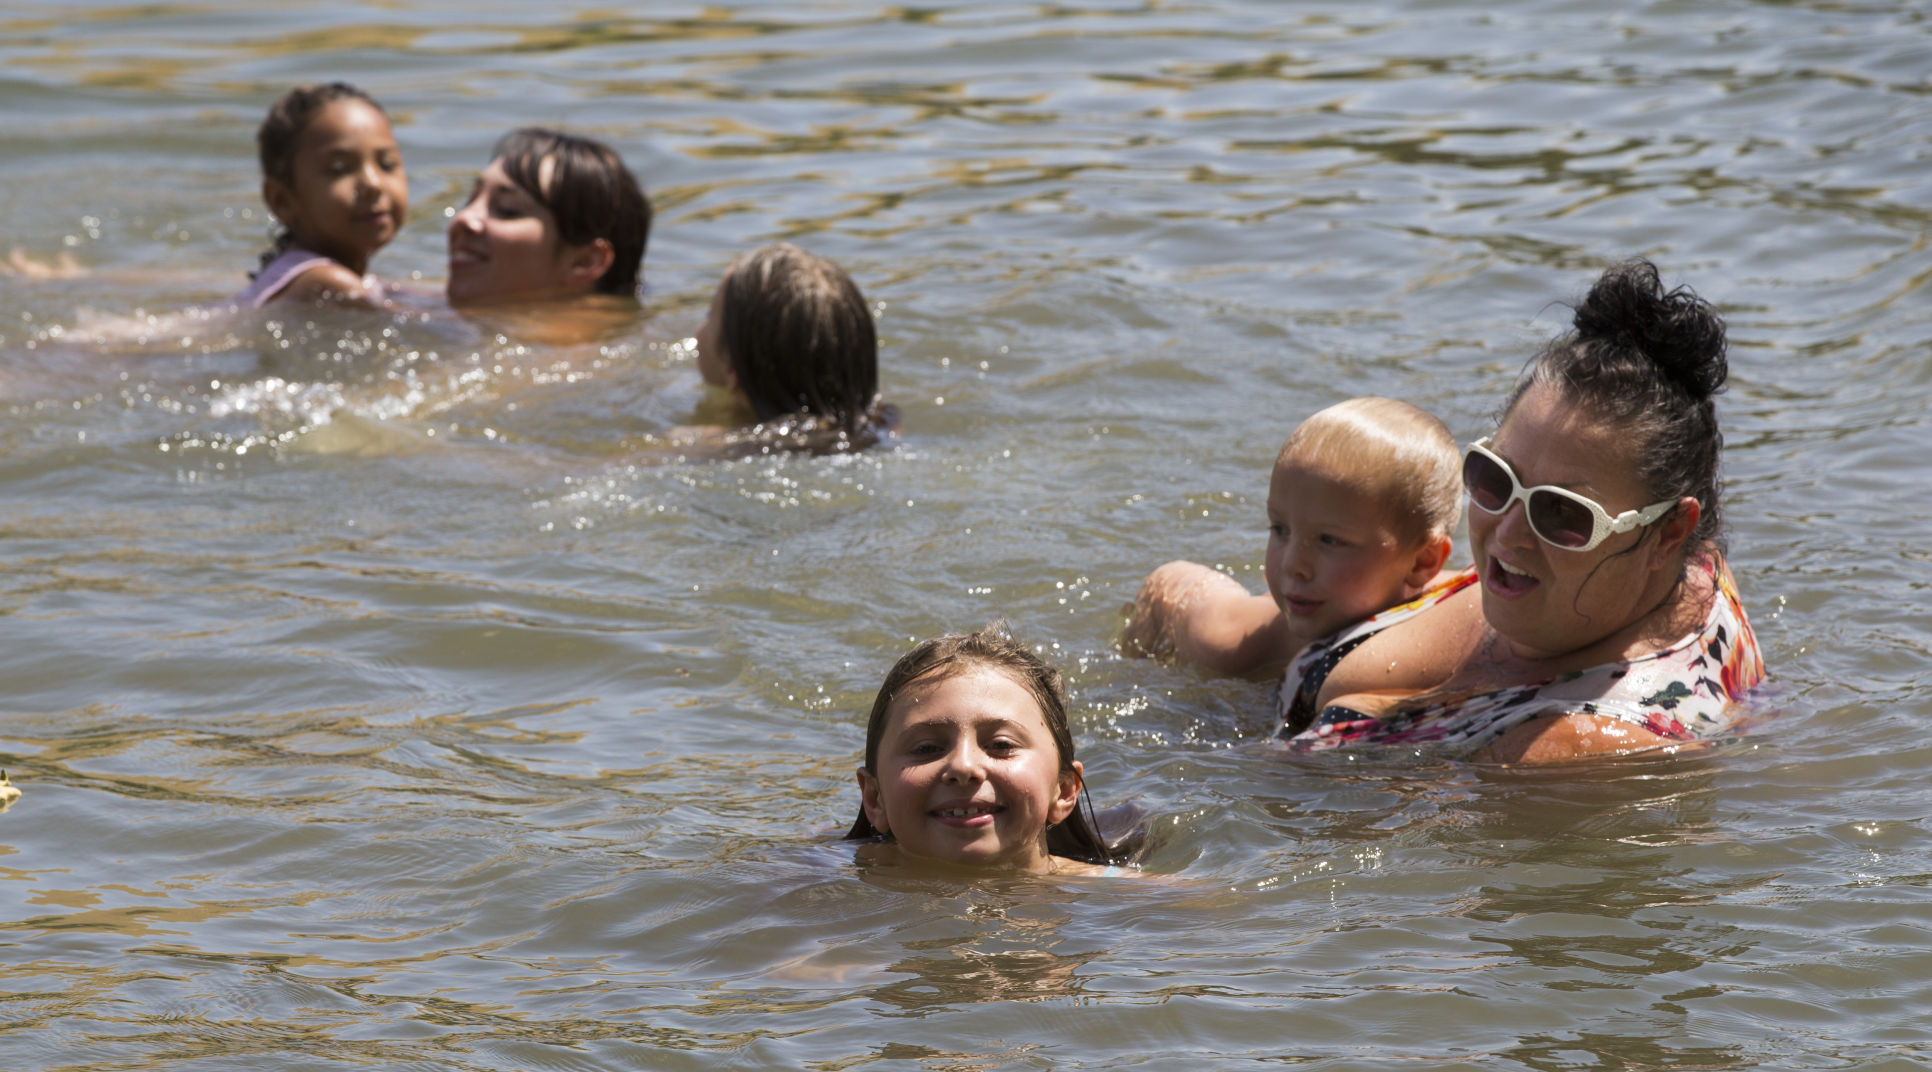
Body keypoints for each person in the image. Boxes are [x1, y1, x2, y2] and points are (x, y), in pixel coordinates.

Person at [1281, 259, 1765, 760]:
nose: (1507, 532)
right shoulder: (1683, 568)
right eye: (1495, 478)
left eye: (1561, 512)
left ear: (1667, 533)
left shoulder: (1571, 746)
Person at [1121, 397, 1460, 680]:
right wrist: (1136, 661)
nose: (1292, 564)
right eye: (1279, 530)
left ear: (1423, 560)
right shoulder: (1247, 640)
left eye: (1329, 540)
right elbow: (1167, 584)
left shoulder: (1466, 615)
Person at [844, 627, 1121, 875]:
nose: (964, 766)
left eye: (1002, 745)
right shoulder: (824, 876)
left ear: (1063, 791)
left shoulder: (1129, 897)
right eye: (926, 748)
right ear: (874, 798)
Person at [689, 243, 898, 454]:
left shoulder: (706, 445)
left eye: (708, 316)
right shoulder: (884, 424)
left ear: (732, 371)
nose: (699, 329)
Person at [237, 83, 406, 307]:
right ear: (282, 200)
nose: (373, 184)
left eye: (386, 164)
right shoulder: (329, 282)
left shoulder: (311, 275)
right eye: (339, 169)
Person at [445, 127, 650, 308]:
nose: (463, 218)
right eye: (470, 200)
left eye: (507, 210)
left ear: (585, 262)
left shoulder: (572, 348)